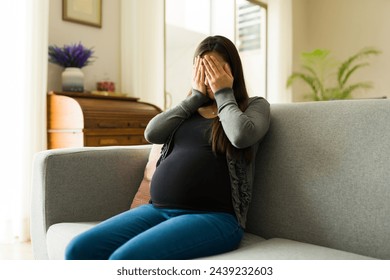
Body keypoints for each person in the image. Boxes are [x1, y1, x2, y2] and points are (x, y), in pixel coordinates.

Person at [65, 35, 270, 260]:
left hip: (215, 217)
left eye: (216, 70)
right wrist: (195, 97)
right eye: (203, 69)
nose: (210, 77)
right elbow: (152, 133)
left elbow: (240, 136)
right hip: (157, 210)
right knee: (78, 249)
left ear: (232, 71)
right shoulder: (187, 111)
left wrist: (223, 92)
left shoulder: (253, 106)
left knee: (123, 261)